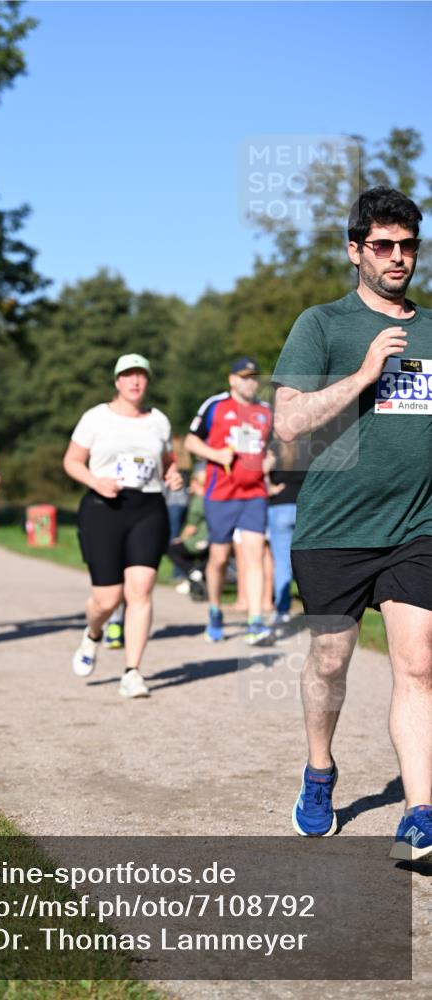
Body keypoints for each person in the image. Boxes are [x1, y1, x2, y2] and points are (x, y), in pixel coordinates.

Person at [272, 186, 431, 860]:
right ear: (354, 251)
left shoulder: (428, 330)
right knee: (330, 662)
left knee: (418, 665)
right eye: (383, 246)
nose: (397, 258)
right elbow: (287, 427)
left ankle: (418, 812)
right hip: (333, 527)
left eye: (407, 246)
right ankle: (318, 772)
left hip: (415, 526)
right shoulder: (323, 324)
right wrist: (366, 371)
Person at [63, 353, 183, 698]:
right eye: (128, 376)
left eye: (141, 376)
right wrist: (95, 481)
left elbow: (167, 462)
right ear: (117, 382)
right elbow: (71, 461)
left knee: (141, 589)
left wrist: (173, 475)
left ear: (147, 381)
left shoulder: (158, 420)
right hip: (104, 507)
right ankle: (93, 633)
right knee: (107, 598)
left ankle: (132, 672)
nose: (135, 382)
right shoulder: (95, 418)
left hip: (148, 507)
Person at [184, 358, 274, 645]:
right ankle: (214, 610)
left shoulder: (265, 411)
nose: (250, 382)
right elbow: (190, 442)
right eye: (244, 377)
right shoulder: (215, 405)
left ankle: (255, 620)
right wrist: (216, 454)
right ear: (232, 379)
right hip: (220, 492)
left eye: (253, 377)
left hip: (254, 493)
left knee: (254, 555)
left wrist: (269, 462)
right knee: (220, 557)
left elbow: (272, 448)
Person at [265, 439, 307, 627]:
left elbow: (261, 468)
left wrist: (268, 487)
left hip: (280, 506)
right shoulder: (310, 446)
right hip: (304, 509)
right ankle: (314, 608)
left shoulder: (275, 447)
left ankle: (282, 610)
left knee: (282, 562)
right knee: (306, 560)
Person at [168, 468, 209, 600]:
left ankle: (192, 573)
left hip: (200, 539)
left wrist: (181, 539)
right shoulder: (211, 497)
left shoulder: (198, 500)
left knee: (172, 549)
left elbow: (191, 527)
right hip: (211, 539)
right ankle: (196, 575)